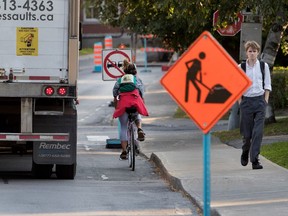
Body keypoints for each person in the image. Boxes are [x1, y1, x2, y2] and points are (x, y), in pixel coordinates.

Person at [238, 40, 272, 170]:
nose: (252, 53)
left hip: (259, 102)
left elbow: (267, 85)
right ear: (246, 52)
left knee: (258, 132)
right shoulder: (240, 67)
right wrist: (240, 103)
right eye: (250, 51)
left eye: (254, 51)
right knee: (247, 135)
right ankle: (245, 151)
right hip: (246, 102)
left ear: (258, 52)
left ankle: (255, 160)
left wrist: (265, 101)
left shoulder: (264, 66)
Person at [113, 60, 148, 160]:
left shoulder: (120, 80)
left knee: (123, 127)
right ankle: (139, 129)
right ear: (135, 71)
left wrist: (117, 108)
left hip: (123, 104)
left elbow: (115, 95)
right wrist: (142, 105)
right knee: (137, 115)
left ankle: (124, 151)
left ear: (125, 71)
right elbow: (141, 94)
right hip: (135, 102)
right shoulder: (137, 80)